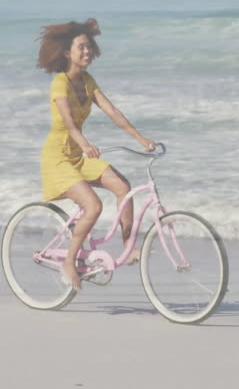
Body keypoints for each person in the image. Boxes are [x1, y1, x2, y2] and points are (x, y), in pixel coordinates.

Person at [36, 19, 156, 290]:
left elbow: (113, 112)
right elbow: (67, 121)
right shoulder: (60, 83)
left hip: (79, 157)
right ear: (67, 52)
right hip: (58, 159)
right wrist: (86, 143)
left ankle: (128, 249)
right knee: (93, 206)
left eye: (89, 47)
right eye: (81, 47)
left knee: (122, 187)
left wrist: (141, 139)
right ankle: (69, 262)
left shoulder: (88, 82)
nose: (87, 51)